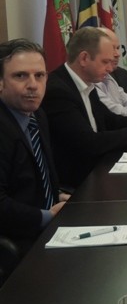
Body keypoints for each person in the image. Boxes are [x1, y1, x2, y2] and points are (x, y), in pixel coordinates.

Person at [42, 27, 127, 189]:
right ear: (84, 58)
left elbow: (112, 120)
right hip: (78, 182)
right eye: (105, 62)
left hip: (99, 169)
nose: (110, 69)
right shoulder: (58, 91)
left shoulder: (87, 83)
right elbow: (89, 143)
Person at [0, 39, 68, 252]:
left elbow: (32, 177)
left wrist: (57, 196)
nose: (33, 85)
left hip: (47, 226)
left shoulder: (37, 115)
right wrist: (47, 215)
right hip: (19, 241)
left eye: (39, 75)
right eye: (20, 76)